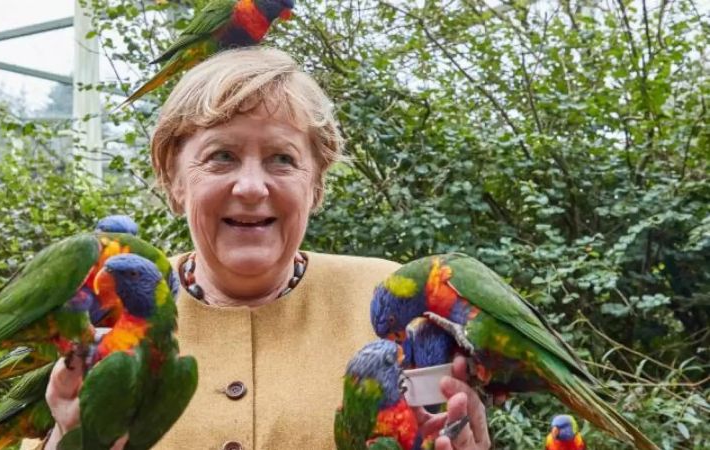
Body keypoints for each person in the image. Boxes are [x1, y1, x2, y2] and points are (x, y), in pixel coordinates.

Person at [30, 47, 492, 450]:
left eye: (282, 159)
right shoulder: (105, 309)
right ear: (174, 181)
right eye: (221, 156)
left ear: (315, 185)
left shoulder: (395, 305)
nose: (251, 187)